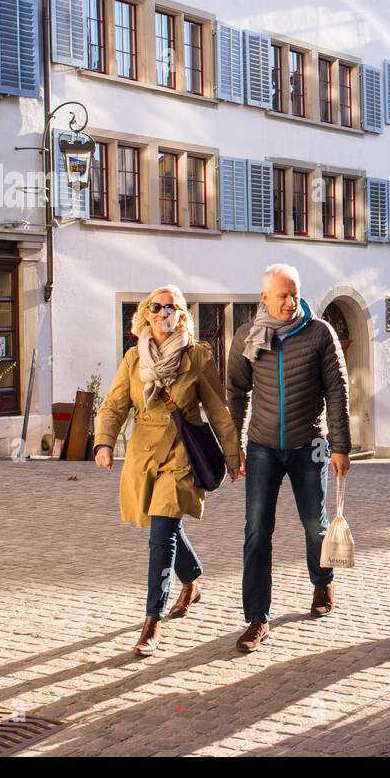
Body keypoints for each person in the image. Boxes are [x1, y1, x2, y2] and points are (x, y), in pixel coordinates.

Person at [93, 285, 242, 657]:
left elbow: (219, 410)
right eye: (156, 307)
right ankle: (192, 581)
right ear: (146, 313)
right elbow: (113, 405)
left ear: (181, 315)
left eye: (171, 307)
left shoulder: (198, 357)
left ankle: (151, 623)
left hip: (181, 455)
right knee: (167, 527)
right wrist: (104, 442)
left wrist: (233, 454)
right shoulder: (133, 358)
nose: (163, 312)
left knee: (161, 536)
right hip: (144, 456)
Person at [227, 264, 350, 652]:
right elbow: (235, 392)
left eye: (294, 294)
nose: (290, 301)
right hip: (263, 445)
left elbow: (337, 391)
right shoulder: (247, 337)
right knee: (256, 530)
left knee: (315, 524)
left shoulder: (319, 333)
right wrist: (235, 447)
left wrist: (342, 445)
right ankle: (257, 618)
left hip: (310, 443)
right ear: (264, 298)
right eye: (282, 295)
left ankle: (321, 580)